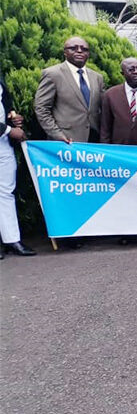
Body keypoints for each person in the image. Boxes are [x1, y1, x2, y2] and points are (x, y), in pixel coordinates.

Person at [35, 36, 104, 143]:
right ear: (65, 52)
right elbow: (41, 108)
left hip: (94, 139)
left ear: (88, 54)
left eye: (84, 49)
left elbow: (101, 108)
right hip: (65, 140)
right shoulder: (52, 74)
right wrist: (57, 134)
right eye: (73, 48)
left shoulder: (97, 77)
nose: (79, 51)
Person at [0, 72, 36, 258]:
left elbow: (4, 105)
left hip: (3, 146)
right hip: (5, 135)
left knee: (6, 192)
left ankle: (12, 239)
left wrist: (11, 119)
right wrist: (8, 129)